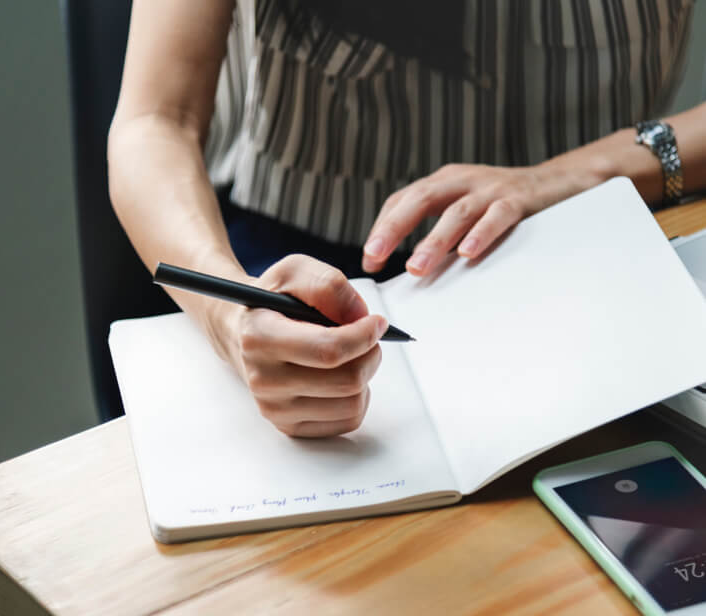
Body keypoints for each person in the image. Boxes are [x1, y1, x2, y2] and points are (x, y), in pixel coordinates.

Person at [108, 0, 706, 437]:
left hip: (588, 253)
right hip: (291, 271)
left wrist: (579, 173)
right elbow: (153, 123)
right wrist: (227, 314)